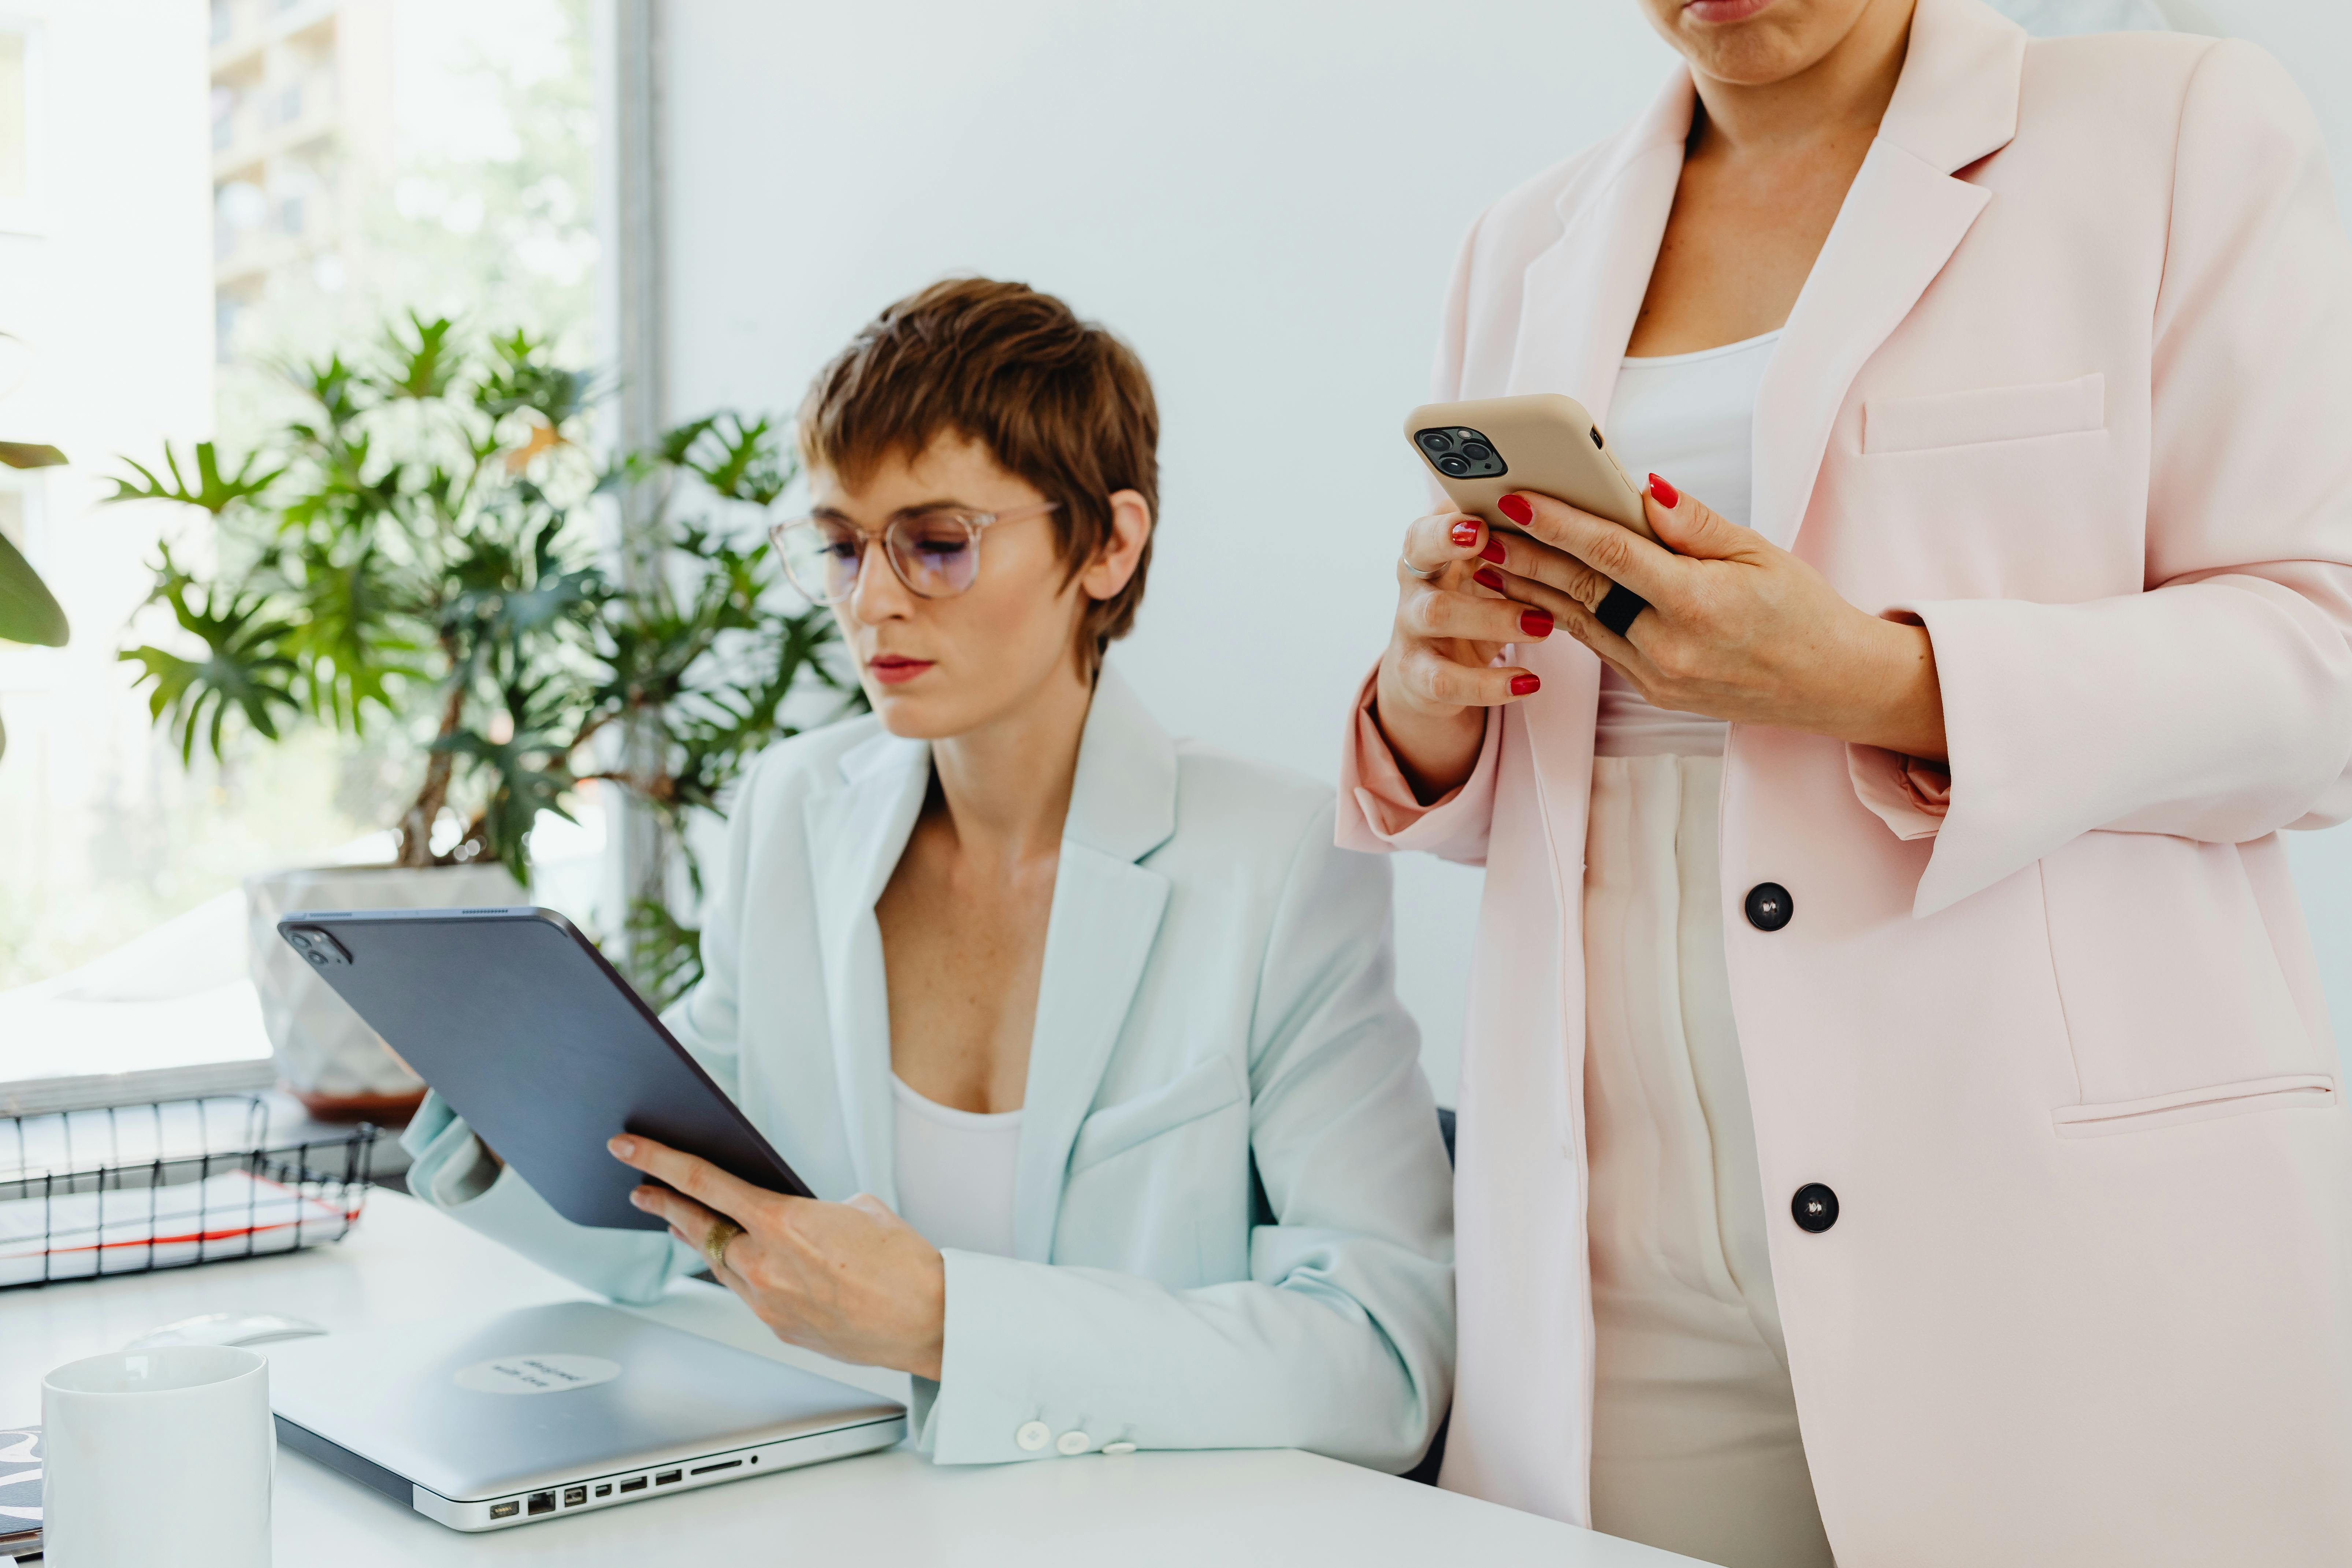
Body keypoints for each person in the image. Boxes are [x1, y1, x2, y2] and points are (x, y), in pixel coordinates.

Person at [1345, 0, 2352, 1563]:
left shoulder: (2170, 129)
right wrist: (1428, 689)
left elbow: (2322, 661)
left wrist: (1875, 678)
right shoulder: (1524, 240)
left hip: (2033, 1224)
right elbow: (1536, 775)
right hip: (1613, 1262)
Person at [404, 278, 1454, 1469]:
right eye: (842, 547)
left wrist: (948, 1320)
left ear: (1108, 544)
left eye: (938, 545)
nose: (874, 601)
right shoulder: (795, 812)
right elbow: (681, 1228)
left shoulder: (1273, 859)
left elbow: (1382, 1356)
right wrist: (491, 1081)